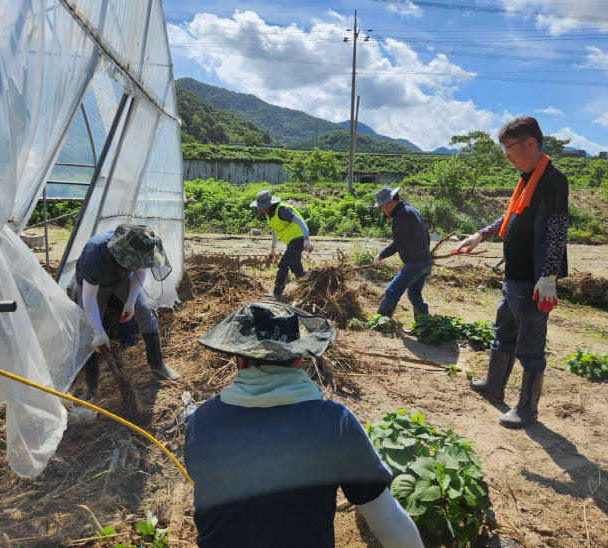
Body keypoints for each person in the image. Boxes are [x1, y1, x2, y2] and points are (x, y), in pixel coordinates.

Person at [185, 302, 424, 548]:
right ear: (299, 359)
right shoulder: (335, 422)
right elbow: (389, 522)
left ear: (241, 360)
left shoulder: (203, 419)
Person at [453, 116, 568, 428]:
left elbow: (557, 230)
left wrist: (548, 275)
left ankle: (527, 408)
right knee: (503, 332)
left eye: (508, 147)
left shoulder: (553, 180)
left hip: (534, 281)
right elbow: (509, 218)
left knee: (530, 343)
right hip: (513, 277)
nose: (505, 154)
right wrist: (481, 234)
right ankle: (493, 385)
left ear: (529, 144)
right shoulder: (526, 179)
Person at [75, 223, 179, 400]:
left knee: (146, 316)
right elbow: (89, 295)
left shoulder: (142, 247)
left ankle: (158, 366)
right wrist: (99, 331)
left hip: (121, 279)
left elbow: (140, 271)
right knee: (87, 331)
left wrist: (131, 301)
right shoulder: (97, 252)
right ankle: (91, 385)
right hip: (94, 287)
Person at [373, 186, 432, 319]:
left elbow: (397, 243)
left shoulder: (401, 216)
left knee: (392, 290)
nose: (382, 210)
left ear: (389, 202)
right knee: (414, 294)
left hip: (415, 264)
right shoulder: (412, 211)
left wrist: (381, 255)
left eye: (381, 206)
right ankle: (423, 325)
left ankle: (379, 323)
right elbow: (426, 235)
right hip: (425, 262)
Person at [250, 189, 314, 298]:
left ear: (269, 204)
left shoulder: (283, 211)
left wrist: (307, 240)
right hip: (291, 241)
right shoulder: (270, 213)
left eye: (262, 207)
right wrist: (273, 249)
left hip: (299, 239)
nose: (260, 209)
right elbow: (276, 230)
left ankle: (277, 291)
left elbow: (300, 222)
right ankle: (308, 283)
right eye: (259, 207)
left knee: (283, 264)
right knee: (295, 265)